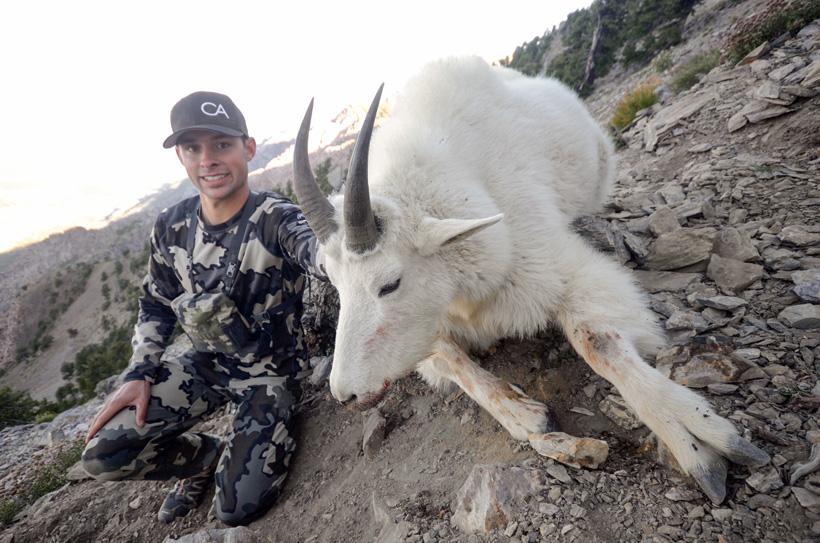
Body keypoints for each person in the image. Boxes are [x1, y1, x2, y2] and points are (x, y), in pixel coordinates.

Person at [81, 91, 327, 526]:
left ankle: (243, 449)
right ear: (181, 156)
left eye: (222, 144)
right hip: (205, 366)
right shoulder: (171, 225)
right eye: (193, 148)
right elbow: (155, 303)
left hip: (269, 376)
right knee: (104, 454)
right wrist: (139, 372)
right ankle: (203, 460)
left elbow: (322, 254)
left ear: (248, 149)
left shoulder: (277, 218)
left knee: (236, 509)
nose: (208, 159)